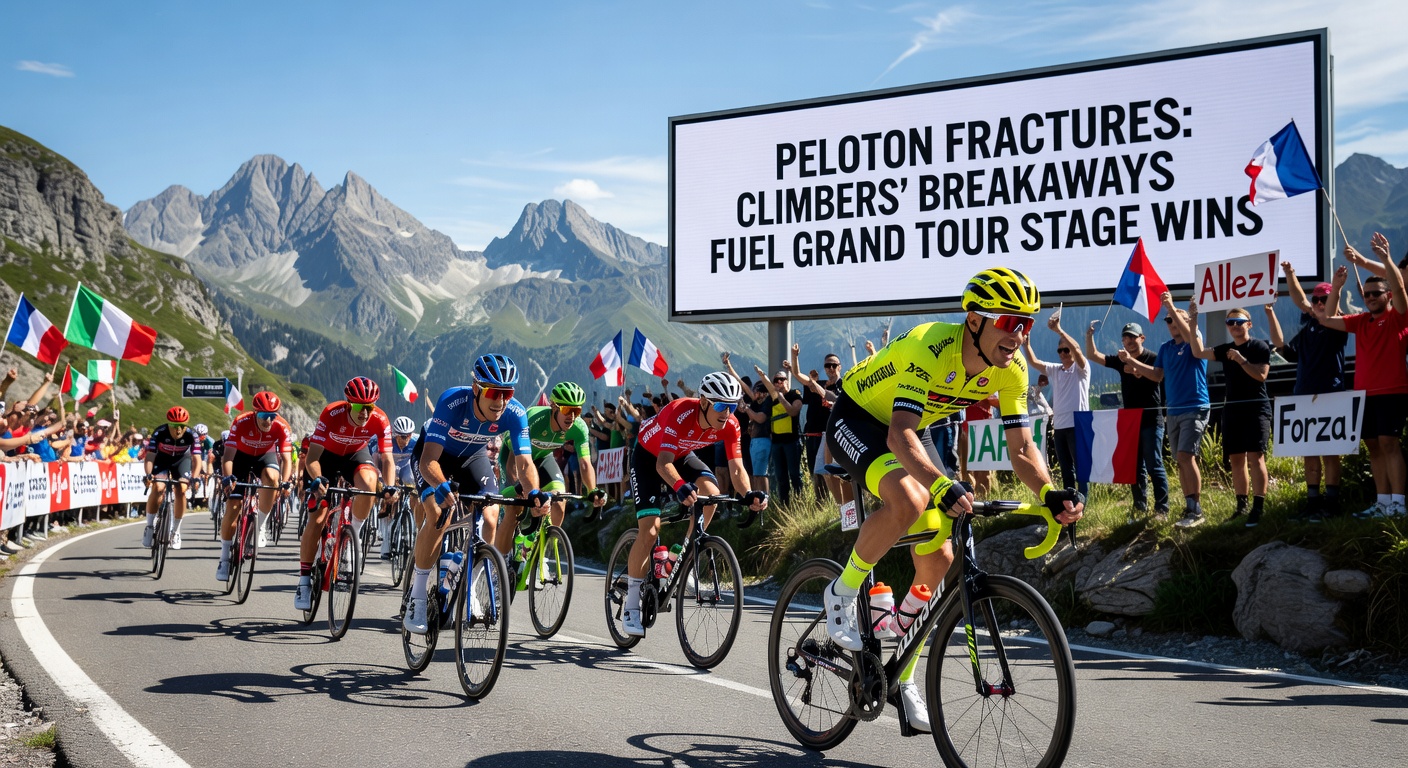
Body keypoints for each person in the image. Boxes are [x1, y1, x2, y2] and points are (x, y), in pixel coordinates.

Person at [820, 267, 1083, 734]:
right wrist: (942, 485)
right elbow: (899, 434)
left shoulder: (1012, 370)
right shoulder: (931, 346)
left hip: (909, 431)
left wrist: (1048, 491)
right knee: (909, 500)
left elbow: (1021, 448)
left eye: (1026, 325)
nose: (1019, 336)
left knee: (940, 555)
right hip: (859, 418)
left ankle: (902, 669)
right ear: (976, 320)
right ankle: (841, 591)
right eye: (1009, 322)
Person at [403, 354, 549, 635]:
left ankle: (468, 588)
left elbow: (525, 462)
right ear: (476, 389)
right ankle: (417, 597)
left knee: (491, 514)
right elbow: (428, 460)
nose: (501, 400)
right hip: (434, 458)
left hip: (473, 457)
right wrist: (442, 485)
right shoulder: (452, 402)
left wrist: (534, 493)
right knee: (437, 514)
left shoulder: (515, 412)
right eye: (494, 392)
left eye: (507, 393)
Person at [619, 371, 767, 638]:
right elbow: (662, 464)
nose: (727, 413)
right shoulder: (680, 412)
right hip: (650, 457)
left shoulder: (731, 424)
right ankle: (631, 604)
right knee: (650, 531)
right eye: (721, 406)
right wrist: (679, 486)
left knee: (711, 495)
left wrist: (748, 494)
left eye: (732, 406)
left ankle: (679, 555)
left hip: (681, 454)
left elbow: (737, 469)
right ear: (704, 402)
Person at [1318, 234, 1408, 518]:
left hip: (1393, 390)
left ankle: (1399, 503)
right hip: (1365, 394)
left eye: (1376, 294)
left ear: (1388, 296)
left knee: (1389, 444)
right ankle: (1382, 502)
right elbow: (1326, 319)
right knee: (1373, 447)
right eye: (1366, 295)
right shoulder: (1360, 322)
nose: (1370, 298)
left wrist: (1384, 260)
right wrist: (1337, 288)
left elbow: (1401, 289)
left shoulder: (1399, 316)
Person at [296, 377, 396, 610]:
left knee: (370, 482)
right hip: (325, 459)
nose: (365, 413)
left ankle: (352, 540)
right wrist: (319, 479)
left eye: (369, 407)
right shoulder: (331, 414)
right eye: (360, 407)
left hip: (355, 455)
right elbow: (312, 458)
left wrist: (390, 486)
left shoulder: (380, 419)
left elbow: (388, 459)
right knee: (318, 518)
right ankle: (303, 581)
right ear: (349, 404)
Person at [1266, 262, 1349, 519]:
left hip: (1330, 392)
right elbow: (1282, 347)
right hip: (1304, 395)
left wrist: (1334, 288)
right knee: (1310, 450)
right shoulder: (1308, 330)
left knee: (1330, 450)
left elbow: (1319, 304)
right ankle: (1313, 502)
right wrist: (1270, 312)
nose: (1319, 303)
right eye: (1317, 300)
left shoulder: (1338, 325)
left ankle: (1332, 503)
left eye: (1324, 299)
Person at [1123, 293, 1210, 527]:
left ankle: (1196, 508)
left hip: (1195, 406)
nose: (1170, 323)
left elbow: (1193, 338)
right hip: (1173, 410)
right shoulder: (1165, 348)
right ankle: (1188, 505)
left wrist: (1171, 306)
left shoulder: (1195, 339)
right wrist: (1131, 363)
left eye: (1173, 319)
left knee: (1185, 456)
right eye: (1168, 320)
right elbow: (1156, 375)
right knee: (1180, 460)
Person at [1183, 304, 1272, 525]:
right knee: (1235, 459)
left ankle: (1258, 507)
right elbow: (1197, 351)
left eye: (1239, 322)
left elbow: (1261, 376)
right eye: (1230, 323)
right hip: (1232, 408)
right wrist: (1193, 321)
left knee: (1255, 457)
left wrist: (1241, 360)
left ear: (1248, 324)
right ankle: (1241, 506)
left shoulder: (1260, 346)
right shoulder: (1225, 349)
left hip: (1255, 407)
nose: (1234, 326)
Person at [497, 381, 607, 554]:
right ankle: (499, 563)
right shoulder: (534, 418)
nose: (572, 416)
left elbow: (585, 463)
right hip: (514, 459)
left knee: (559, 500)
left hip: (542, 458)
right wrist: (520, 486)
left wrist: (592, 490)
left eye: (576, 411)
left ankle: (538, 552)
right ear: (554, 407)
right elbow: (512, 462)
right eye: (566, 410)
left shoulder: (578, 428)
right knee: (514, 510)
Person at [1087, 321, 1169, 520]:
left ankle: (1162, 508)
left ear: (1142, 338)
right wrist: (1089, 335)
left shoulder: (1154, 357)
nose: (1129, 340)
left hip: (1151, 417)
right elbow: (1093, 356)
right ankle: (1140, 507)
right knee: (1135, 467)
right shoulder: (1121, 359)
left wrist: (1131, 363)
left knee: (1154, 464)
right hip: (1130, 419)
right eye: (1126, 337)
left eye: (1133, 336)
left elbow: (1156, 376)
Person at [218, 392, 295, 581]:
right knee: (233, 510)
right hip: (241, 459)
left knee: (272, 479)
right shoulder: (241, 421)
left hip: (264, 456)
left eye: (272, 416)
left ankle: (259, 525)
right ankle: (224, 556)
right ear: (254, 413)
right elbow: (228, 457)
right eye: (263, 416)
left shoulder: (281, 426)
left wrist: (285, 482)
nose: (268, 420)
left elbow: (286, 458)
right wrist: (228, 478)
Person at [1022, 313, 1090, 498]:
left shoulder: (1081, 369)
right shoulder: (1055, 369)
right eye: (1060, 351)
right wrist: (1026, 345)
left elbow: (1077, 348)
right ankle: (1069, 502)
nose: (1063, 354)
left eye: (1066, 350)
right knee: (1066, 470)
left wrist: (1058, 330)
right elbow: (1034, 362)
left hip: (1078, 424)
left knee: (1081, 469)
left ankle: (1083, 502)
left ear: (1073, 352)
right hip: (1060, 425)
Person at [142, 406, 201, 549]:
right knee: (158, 486)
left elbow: (197, 459)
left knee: (181, 489)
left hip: (181, 461)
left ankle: (175, 530)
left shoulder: (192, 435)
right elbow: (150, 456)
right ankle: (149, 526)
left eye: (182, 426)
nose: (178, 429)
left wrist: (195, 477)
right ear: (169, 424)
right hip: (162, 460)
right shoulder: (159, 432)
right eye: (174, 426)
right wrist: (149, 474)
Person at [790, 344, 844, 499]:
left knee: (832, 471)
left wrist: (813, 384)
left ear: (839, 367)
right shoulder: (817, 383)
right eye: (828, 365)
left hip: (831, 435)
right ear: (825, 368)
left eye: (834, 365)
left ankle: (838, 501)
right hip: (813, 434)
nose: (831, 368)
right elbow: (796, 373)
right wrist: (795, 356)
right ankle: (820, 502)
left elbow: (831, 398)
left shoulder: (842, 385)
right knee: (816, 471)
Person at [758, 367, 804, 504]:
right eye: (776, 381)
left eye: (781, 379)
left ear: (787, 381)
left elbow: (793, 412)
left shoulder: (794, 394)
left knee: (795, 475)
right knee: (781, 477)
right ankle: (784, 505)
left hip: (792, 441)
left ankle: (800, 502)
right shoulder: (770, 399)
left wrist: (781, 398)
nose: (779, 383)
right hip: (777, 443)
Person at [377, 415, 420, 558]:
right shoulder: (387, 440)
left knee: (413, 484)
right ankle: (386, 542)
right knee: (388, 496)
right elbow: (378, 461)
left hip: (407, 467)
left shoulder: (416, 441)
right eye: (402, 436)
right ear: (395, 435)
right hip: (390, 466)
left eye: (408, 435)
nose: (405, 439)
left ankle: (412, 523)